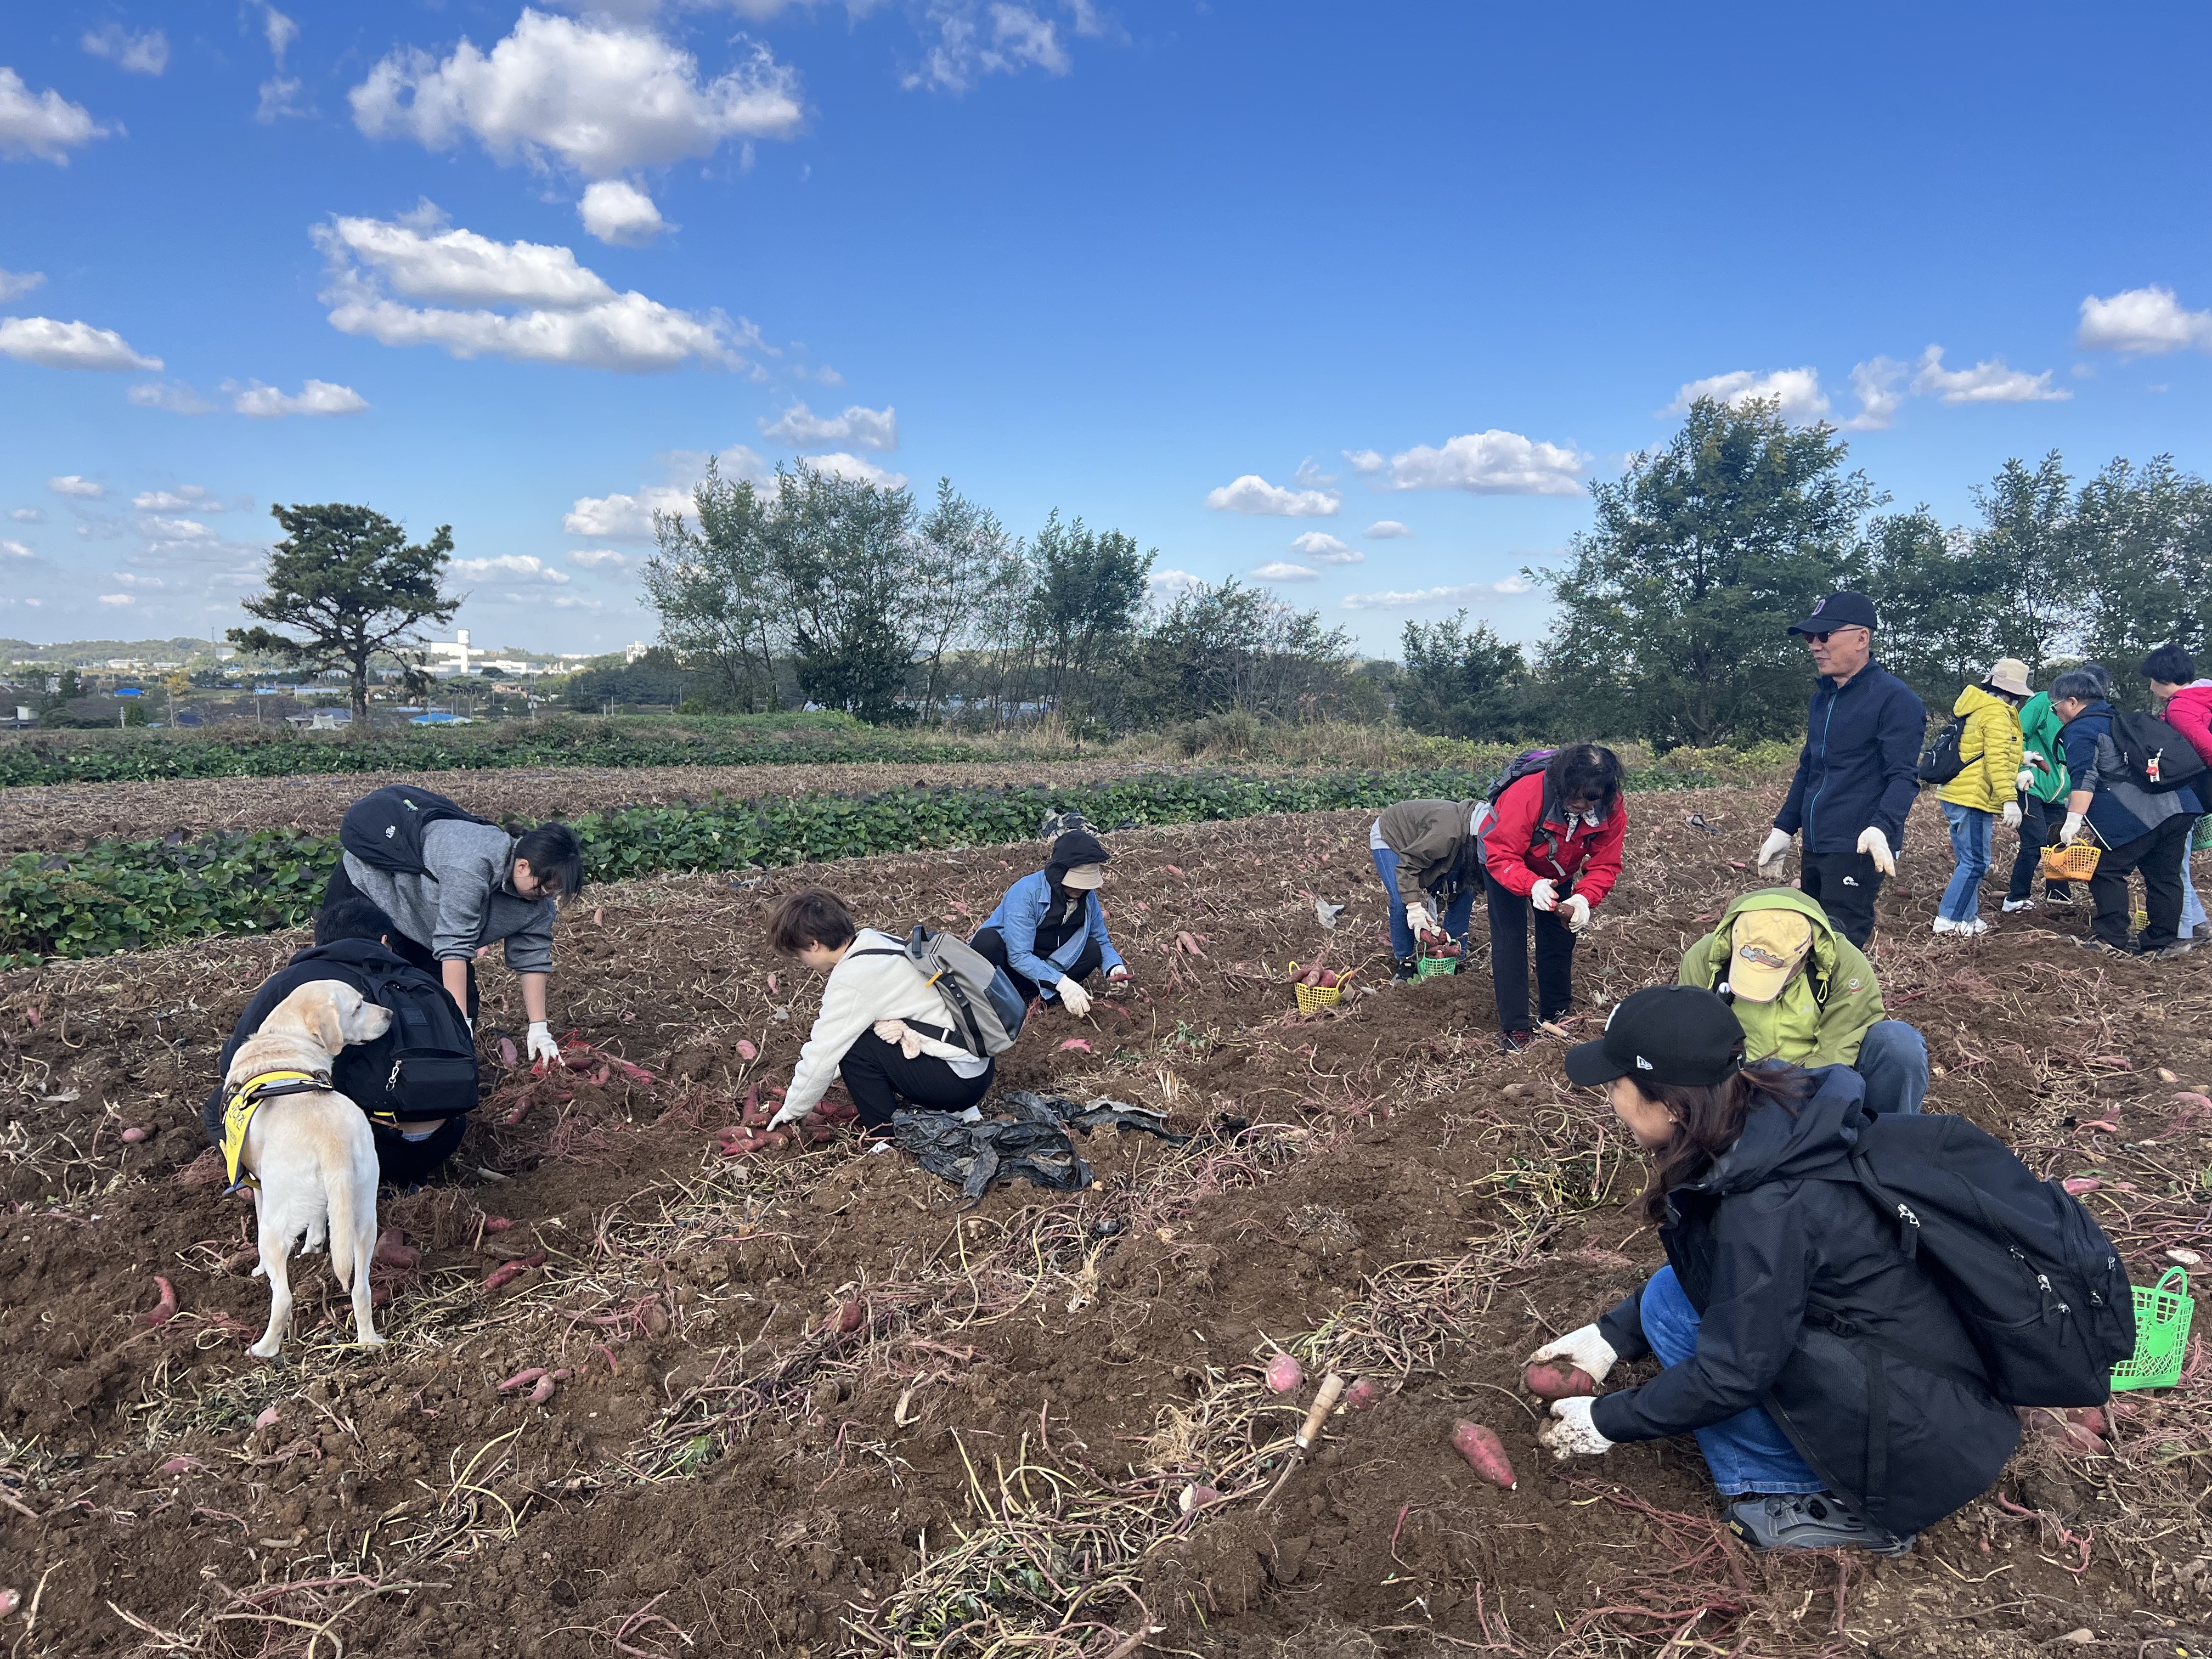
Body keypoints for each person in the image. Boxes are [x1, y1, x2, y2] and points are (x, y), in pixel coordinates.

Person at [1530, 986, 2016, 1553]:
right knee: (1668, 1304)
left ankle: (1805, 1493)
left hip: (1911, 1437)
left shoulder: (1766, 1208)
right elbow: (1721, 1275)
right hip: (1922, 1371)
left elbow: (1733, 1373)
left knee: (1730, 1353)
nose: (1612, 1099)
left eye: (1617, 1085)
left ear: (1673, 1105)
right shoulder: (1767, 1116)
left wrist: (1610, 1420)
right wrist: (1612, 1335)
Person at [202, 896, 477, 1186]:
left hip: (349, 1152)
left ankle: (258, 1183)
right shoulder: (426, 982)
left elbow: (233, 1064)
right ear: (386, 941)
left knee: (216, 1105)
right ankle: (407, 1180)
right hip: (439, 1143)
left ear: (321, 944)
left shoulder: (295, 983)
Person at [328, 809, 581, 1064]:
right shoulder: (472, 863)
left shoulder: (539, 904)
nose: (550, 896)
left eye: (557, 890)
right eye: (548, 887)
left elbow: (532, 958)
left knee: (448, 1002)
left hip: (424, 918)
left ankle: (437, 1078)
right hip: (367, 889)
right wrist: (460, 1024)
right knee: (359, 988)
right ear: (523, 866)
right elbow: (455, 945)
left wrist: (539, 1028)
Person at [1756, 592, 1926, 949]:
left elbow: (1903, 777)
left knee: (1840, 945)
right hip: (1817, 842)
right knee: (1810, 938)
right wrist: (1784, 829)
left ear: (1862, 638)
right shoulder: (1823, 698)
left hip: (1858, 846)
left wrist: (1881, 828)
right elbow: (1809, 767)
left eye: (1825, 636)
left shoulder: (1895, 700)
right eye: (1809, 638)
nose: (1814, 646)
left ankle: (1846, 1005)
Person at [1677, 888, 1928, 1115]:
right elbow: (1697, 1043)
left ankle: (1886, 1139)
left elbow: (1836, 1052)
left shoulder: (1845, 964)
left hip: (1820, 1077)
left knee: (1899, 1044)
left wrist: (1801, 1109)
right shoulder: (1707, 958)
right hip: (1742, 1082)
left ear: (1806, 950)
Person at [766, 888, 995, 1136]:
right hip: (978, 1065)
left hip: (959, 1084)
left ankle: (883, 1137)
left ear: (814, 944)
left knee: (854, 1050)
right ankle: (963, 1112)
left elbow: (823, 1053)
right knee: (868, 1035)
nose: (805, 964)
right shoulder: (875, 941)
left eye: (800, 956)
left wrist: (792, 1109)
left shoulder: (852, 979)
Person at [1481, 743, 1626, 1053]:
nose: (1580, 804)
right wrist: (1531, 884)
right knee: (1510, 939)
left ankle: (1556, 1013)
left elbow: (1606, 863)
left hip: (1558, 866)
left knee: (1560, 937)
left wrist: (1584, 899)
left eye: (1590, 798)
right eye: (1574, 795)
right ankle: (1516, 1027)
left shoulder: (1611, 806)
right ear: (1561, 783)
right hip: (1506, 864)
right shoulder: (1528, 792)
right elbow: (1501, 853)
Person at [2052, 668, 2204, 957]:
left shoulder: (2082, 729)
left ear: (2071, 702)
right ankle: (2164, 941)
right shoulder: (2121, 718)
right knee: (2164, 875)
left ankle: (2110, 938)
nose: (2056, 712)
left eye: (2055, 705)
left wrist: (2073, 820)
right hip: (2182, 804)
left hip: (2142, 812)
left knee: (2105, 869)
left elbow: (2084, 777)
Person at [969, 827, 1128, 1015]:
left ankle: (1039, 998)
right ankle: (1002, 1000)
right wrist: (1062, 983)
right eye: (1077, 882)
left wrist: (1114, 967)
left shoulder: (1087, 897)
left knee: (1093, 949)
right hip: (1010, 968)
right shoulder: (1026, 893)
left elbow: (1100, 938)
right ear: (1058, 872)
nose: (1082, 889)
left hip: (1051, 963)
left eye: (1087, 883)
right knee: (987, 941)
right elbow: (1019, 956)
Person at [1932, 658, 2029, 936]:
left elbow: (1982, 751)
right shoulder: (1998, 713)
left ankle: (1969, 919)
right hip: (1973, 797)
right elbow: (1996, 761)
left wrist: (2023, 758)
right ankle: (1949, 920)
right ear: (2014, 693)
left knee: (1970, 860)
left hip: (1958, 793)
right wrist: (2009, 800)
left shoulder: (1978, 707)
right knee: (1976, 862)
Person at [1369, 795, 1485, 981]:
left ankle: (1453, 954)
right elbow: (1407, 867)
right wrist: (1414, 907)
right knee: (1401, 901)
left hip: (1426, 843)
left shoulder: (1472, 833)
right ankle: (1406, 961)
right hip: (1393, 837)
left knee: (1464, 891)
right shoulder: (1447, 834)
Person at [2142, 645, 2211, 941]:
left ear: (2161, 678)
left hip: (2192, 793)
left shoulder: (2181, 707)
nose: (2150, 685)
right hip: (2198, 792)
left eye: (2151, 679)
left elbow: (2206, 748)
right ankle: (2197, 923)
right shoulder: (2202, 697)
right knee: (2177, 862)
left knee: (2172, 863)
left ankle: (2180, 934)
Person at [2004, 674, 2077, 913]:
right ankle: (2016, 899)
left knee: (2058, 844)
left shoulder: (2085, 716)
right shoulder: (2043, 703)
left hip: (2058, 794)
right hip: (2031, 785)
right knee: (2034, 842)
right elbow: (2016, 736)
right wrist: (2023, 769)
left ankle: (2058, 898)